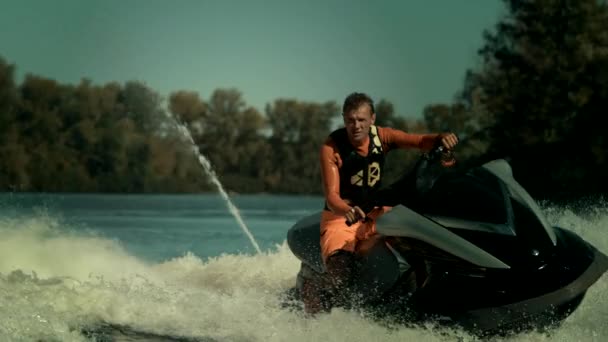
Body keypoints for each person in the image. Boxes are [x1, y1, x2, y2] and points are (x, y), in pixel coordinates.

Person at [304, 92, 458, 314]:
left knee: (418, 246)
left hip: (375, 211)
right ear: (344, 119)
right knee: (342, 272)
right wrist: (347, 210)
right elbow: (332, 196)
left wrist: (441, 138)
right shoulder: (331, 147)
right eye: (350, 120)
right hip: (341, 216)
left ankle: (423, 301)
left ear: (372, 119)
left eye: (361, 120)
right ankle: (315, 289)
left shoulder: (383, 137)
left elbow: (421, 141)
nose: (355, 126)